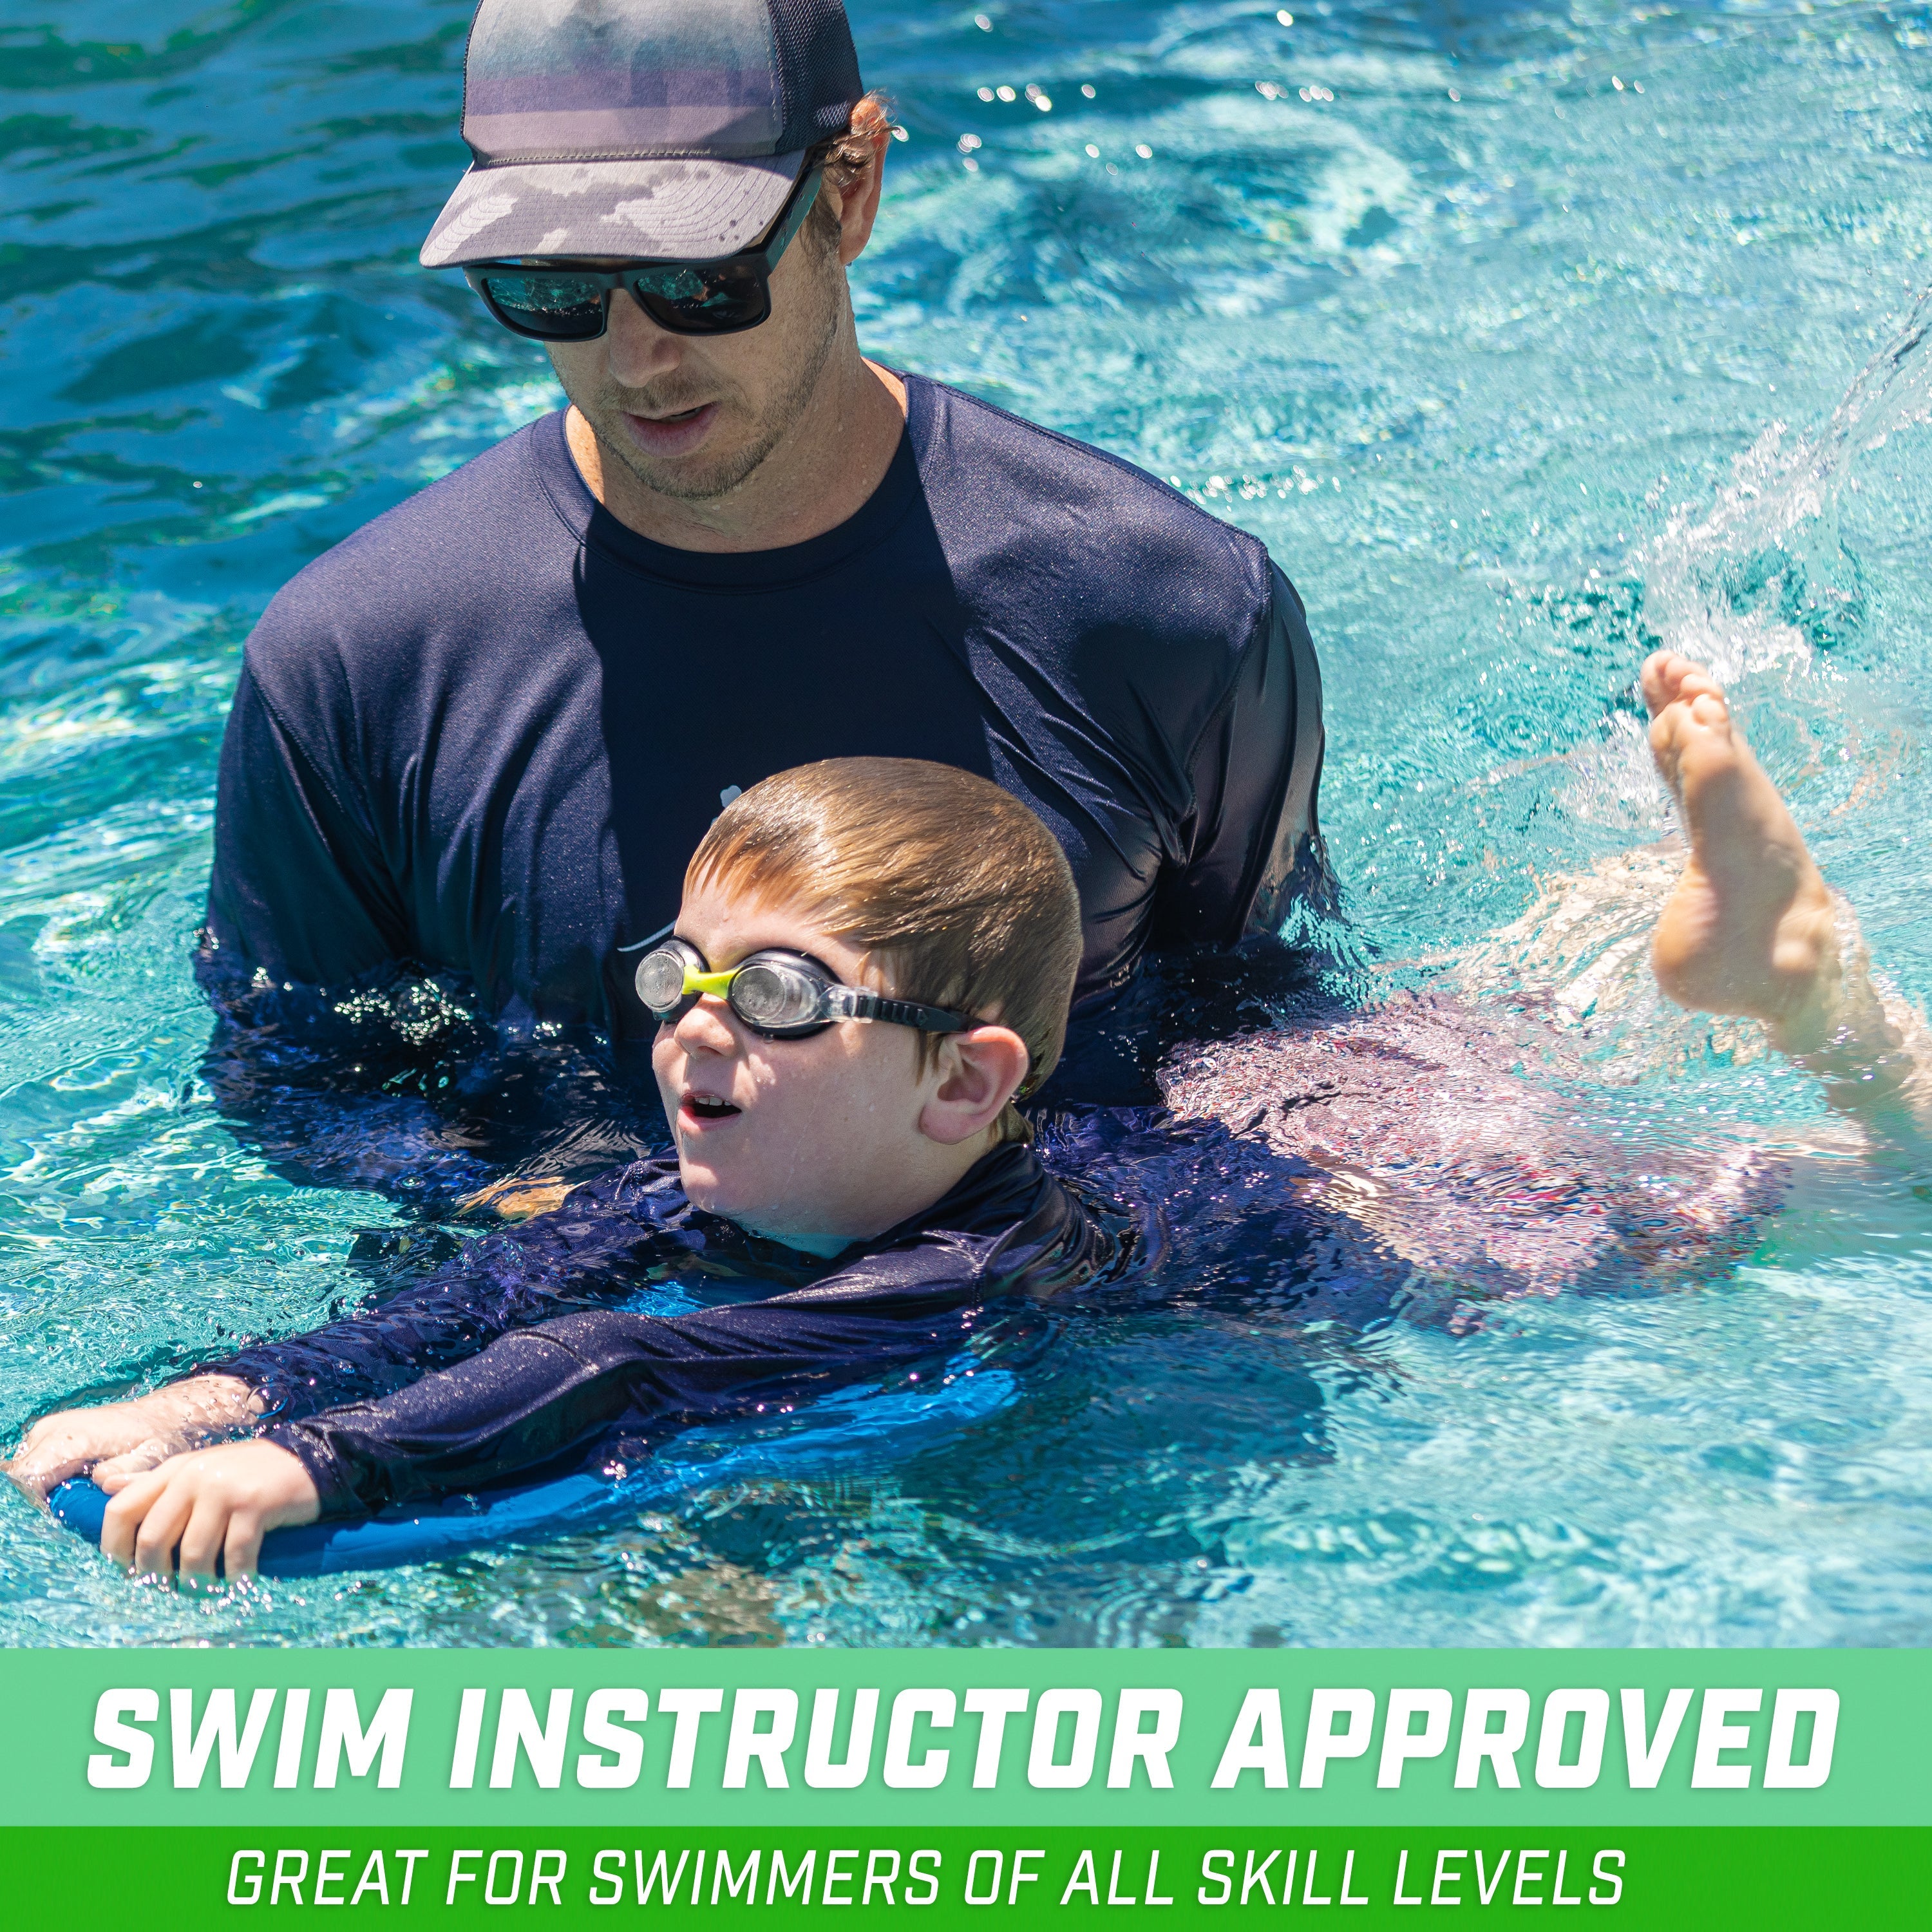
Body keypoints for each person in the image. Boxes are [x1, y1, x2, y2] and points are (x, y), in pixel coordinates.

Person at [203, 0, 1329, 1184]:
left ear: (851, 192)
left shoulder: (1173, 616)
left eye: (696, 278)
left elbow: (1266, 1027)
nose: (634, 357)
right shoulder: (354, 660)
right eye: (552, 288)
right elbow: (299, 1087)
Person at [13, 761, 1124, 1580]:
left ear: (964, 1086)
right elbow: (481, 1299)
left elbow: (635, 1363)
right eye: (680, 974)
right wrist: (213, 1403)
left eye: (778, 996)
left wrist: (312, 1464)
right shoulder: (692, 1185)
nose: (694, 1028)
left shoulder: (974, 1270)